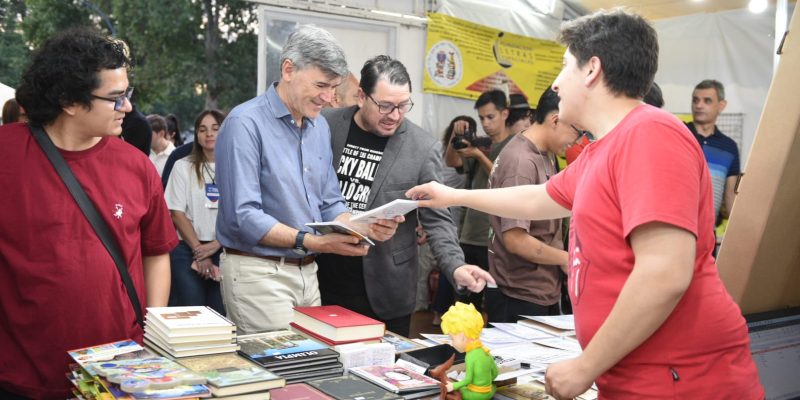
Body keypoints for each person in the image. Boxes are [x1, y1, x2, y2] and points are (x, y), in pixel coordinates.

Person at [407, 9, 764, 399]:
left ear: (592, 69)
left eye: (565, 68)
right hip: (638, 374)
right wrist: (453, 195)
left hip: (681, 377)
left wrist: (586, 366)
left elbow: (665, 272)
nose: (557, 84)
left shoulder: (650, 134)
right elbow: (540, 197)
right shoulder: (601, 150)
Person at [0, 27, 176, 398]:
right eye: (115, 98)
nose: (127, 107)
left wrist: (152, 335)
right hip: (22, 375)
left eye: (127, 94)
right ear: (69, 101)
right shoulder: (6, 156)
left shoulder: (137, 166)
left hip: (119, 373)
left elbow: (156, 251)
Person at [215, 25, 400, 334]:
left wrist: (362, 227)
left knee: (310, 370)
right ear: (289, 69)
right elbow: (242, 217)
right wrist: (313, 242)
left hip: (308, 272)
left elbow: (330, 202)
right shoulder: (244, 124)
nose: (328, 98)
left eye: (334, 88)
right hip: (259, 273)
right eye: (321, 85)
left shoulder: (318, 128)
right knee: (281, 371)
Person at [319, 55, 494, 337]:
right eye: (385, 106)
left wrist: (456, 265)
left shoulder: (421, 147)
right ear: (362, 96)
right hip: (322, 274)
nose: (396, 115)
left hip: (385, 286)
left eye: (403, 105)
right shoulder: (326, 125)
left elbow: (437, 219)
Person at [486, 87, 579, 323]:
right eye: (576, 131)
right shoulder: (521, 162)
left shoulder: (543, 153)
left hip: (541, 289)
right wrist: (566, 258)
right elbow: (516, 240)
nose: (576, 141)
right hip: (518, 293)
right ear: (556, 120)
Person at [443, 89, 515, 312]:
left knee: (492, 304)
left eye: (490, 117)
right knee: (464, 303)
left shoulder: (515, 146)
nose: (485, 123)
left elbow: (501, 178)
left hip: (493, 237)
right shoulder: (481, 143)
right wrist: (455, 139)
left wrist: (478, 155)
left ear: (505, 114)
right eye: (481, 118)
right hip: (469, 234)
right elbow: (451, 161)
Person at [165, 109, 226, 315]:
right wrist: (199, 251)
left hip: (226, 248)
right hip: (187, 248)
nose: (209, 134)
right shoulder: (182, 166)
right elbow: (176, 212)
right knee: (193, 311)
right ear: (197, 136)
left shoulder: (238, 167)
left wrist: (217, 244)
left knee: (220, 312)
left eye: (215, 128)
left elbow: (243, 212)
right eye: (203, 129)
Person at [687, 79, 740, 224]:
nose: (699, 105)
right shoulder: (680, 134)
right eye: (695, 100)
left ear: (721, 106)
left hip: (708, 234)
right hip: (676, 227)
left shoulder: (729, 147)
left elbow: (730, 197)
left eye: (707, 101)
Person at [441, 302, 498, 400]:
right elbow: (495, 373)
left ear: (462, 337)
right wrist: (485, 384)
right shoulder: (485, 351)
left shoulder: (471, 356)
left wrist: (453, 386)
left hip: (476, 396)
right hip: (490, 391)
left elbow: (468, 380)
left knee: (456, 392)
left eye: (452, 339)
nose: (452, 343)